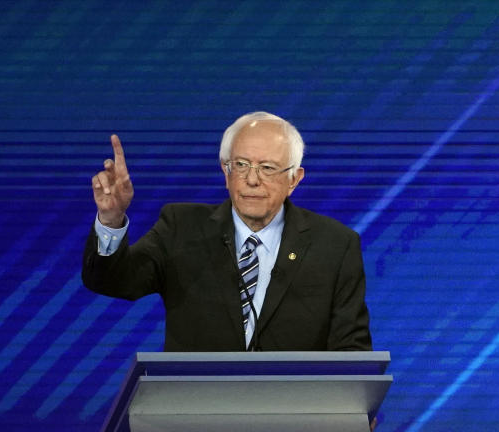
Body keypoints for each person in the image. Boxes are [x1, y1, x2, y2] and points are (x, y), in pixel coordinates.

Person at [83, 111, 372, 352]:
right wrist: (111, 218)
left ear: (294, 179)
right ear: (226, 172)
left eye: (268, 168)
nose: (252, 180)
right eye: (241, 165)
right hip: (198, 410)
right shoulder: (181, 228)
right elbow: (114, 281)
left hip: (295, 413)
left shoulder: (334, 245)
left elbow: (351, 349)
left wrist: (356, 408)